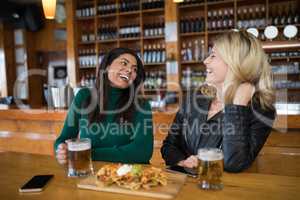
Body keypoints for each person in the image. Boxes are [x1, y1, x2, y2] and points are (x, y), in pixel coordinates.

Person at [161, 30, 276, 172]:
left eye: (213, 56)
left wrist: (237, 105)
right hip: (184, 185)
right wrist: (184, 162)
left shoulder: (261, 111)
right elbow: (169, 146)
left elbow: (234, 164)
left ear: (236, 62)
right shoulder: (195, 99)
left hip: (226, 190)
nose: (205, 61)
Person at [55, 48, 153, 164]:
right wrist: (61, 150)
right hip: (91, 174)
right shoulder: (84, 96)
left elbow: (142, 152)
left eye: (134, 69)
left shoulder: (141, 104)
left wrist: (87, 154)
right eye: (124, 63)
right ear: (107, 66)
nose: (129, 70)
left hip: (130, 176)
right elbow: (64, 138)